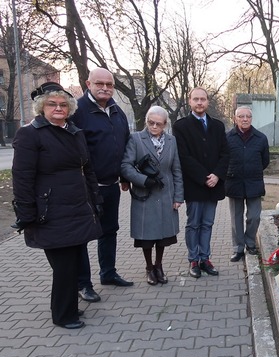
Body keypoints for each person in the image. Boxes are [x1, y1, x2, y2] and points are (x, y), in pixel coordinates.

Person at [12, 82, 104, 329]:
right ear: (42, 107)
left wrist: (96, 199)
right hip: (50, 211)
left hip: (78, 207)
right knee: (63, 266)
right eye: (52, 104)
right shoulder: (30, 134)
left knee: (73, 263)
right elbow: (22, 177)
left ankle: (68, 307)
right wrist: (26, 212)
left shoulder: (75, 132)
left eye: (63, 104)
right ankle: (63, 316)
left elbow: (87, 169)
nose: (58, 108)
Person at [72, 67, 133, 303]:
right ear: (88, 84)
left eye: (109, 85)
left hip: (111, 184)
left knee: (109, 230)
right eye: (100, 84)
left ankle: (108, 273)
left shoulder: (117, 111)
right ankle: (83, 284)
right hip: (85, 187)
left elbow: (124, 145)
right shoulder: (77, 111)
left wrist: (125, 176)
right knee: (83, 235)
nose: (105, 88)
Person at [121, 106, 184, 285]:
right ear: (146, 121)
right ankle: (149, 267)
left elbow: (176, 169)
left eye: (159, 124)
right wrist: (143, 180)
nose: (154, 126)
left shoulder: (171, 141)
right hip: (144, 194)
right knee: (146, 235)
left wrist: (178, 196)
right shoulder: (136, 139)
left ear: (165, 124)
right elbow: (126, 165)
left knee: (163, 235)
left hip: (165, 194)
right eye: (151, 123)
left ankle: (159, 266)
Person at [172, 87, 229, 278]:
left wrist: (217, 175)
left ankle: (205, 258)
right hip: (195, 185)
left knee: (207, 223)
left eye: (202, 99)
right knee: (194, 224)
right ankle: (193, 259)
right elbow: (183, 156)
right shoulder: (181, 126)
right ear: (190, 101)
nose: (199, 102)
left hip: (214, 185)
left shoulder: (218, 126)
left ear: (207, 102)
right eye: (195, 99)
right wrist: (204, 177)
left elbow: (225, 154)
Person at [225, 106, 270, 262]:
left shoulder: (261, 138)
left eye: (248, 116)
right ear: (235, 119)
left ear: (251, 118)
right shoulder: (227, 137)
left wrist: (252, 170)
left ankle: (250, 242)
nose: (245, 119)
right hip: (234, 182)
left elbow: (265, 161)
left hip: (254, 182)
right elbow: (223, 159)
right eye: (241, 116)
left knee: (254, 216)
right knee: (236, 218)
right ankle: (238, 248)